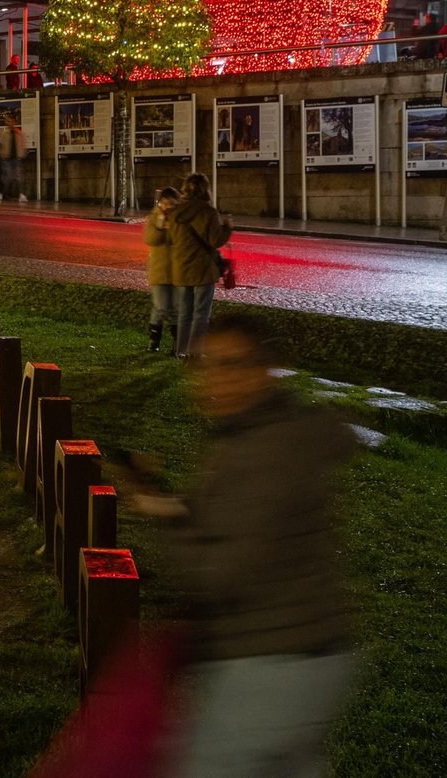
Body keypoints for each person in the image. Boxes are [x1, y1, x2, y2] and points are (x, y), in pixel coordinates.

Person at [160, 314, 355, 778]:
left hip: (276, 659)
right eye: (206, 365)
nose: (218, 380)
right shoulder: (257, 434)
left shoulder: (266, 451)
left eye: (234, 365)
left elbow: (222, 572)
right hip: (304, 651)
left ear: (264, 370)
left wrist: (174, 525)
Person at [167, 173, 231, 359]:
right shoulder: (207, 211)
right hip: (202, 269)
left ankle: (181, 351)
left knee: (184, 313)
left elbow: (171, 240)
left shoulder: (175, 213)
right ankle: (194, 353)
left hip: (181, 267)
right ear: (205, 189)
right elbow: (216, 240)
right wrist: (227, 228)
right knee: (201, 314)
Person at [142, 186, 180, 353]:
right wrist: (160, 224)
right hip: (159, 270)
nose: (168, 207)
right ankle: (154, 341)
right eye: (165, 203)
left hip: (178, 270)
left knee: (176, 309)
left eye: (172, 204)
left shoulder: (180, 220)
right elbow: (151, 239)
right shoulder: (154, 216)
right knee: (160, 307)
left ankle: (176, 344)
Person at [0, 121, 27, 202]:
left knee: (19, 177)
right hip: (8, 159)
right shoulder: (5, 134)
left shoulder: (19, 133)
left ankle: (21, 194)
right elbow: (1, 146)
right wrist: (3, 155)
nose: (10, 124)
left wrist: (22, 154)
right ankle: (4, 193)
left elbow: (22, 145)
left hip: (16, 158)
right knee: (8, 178)